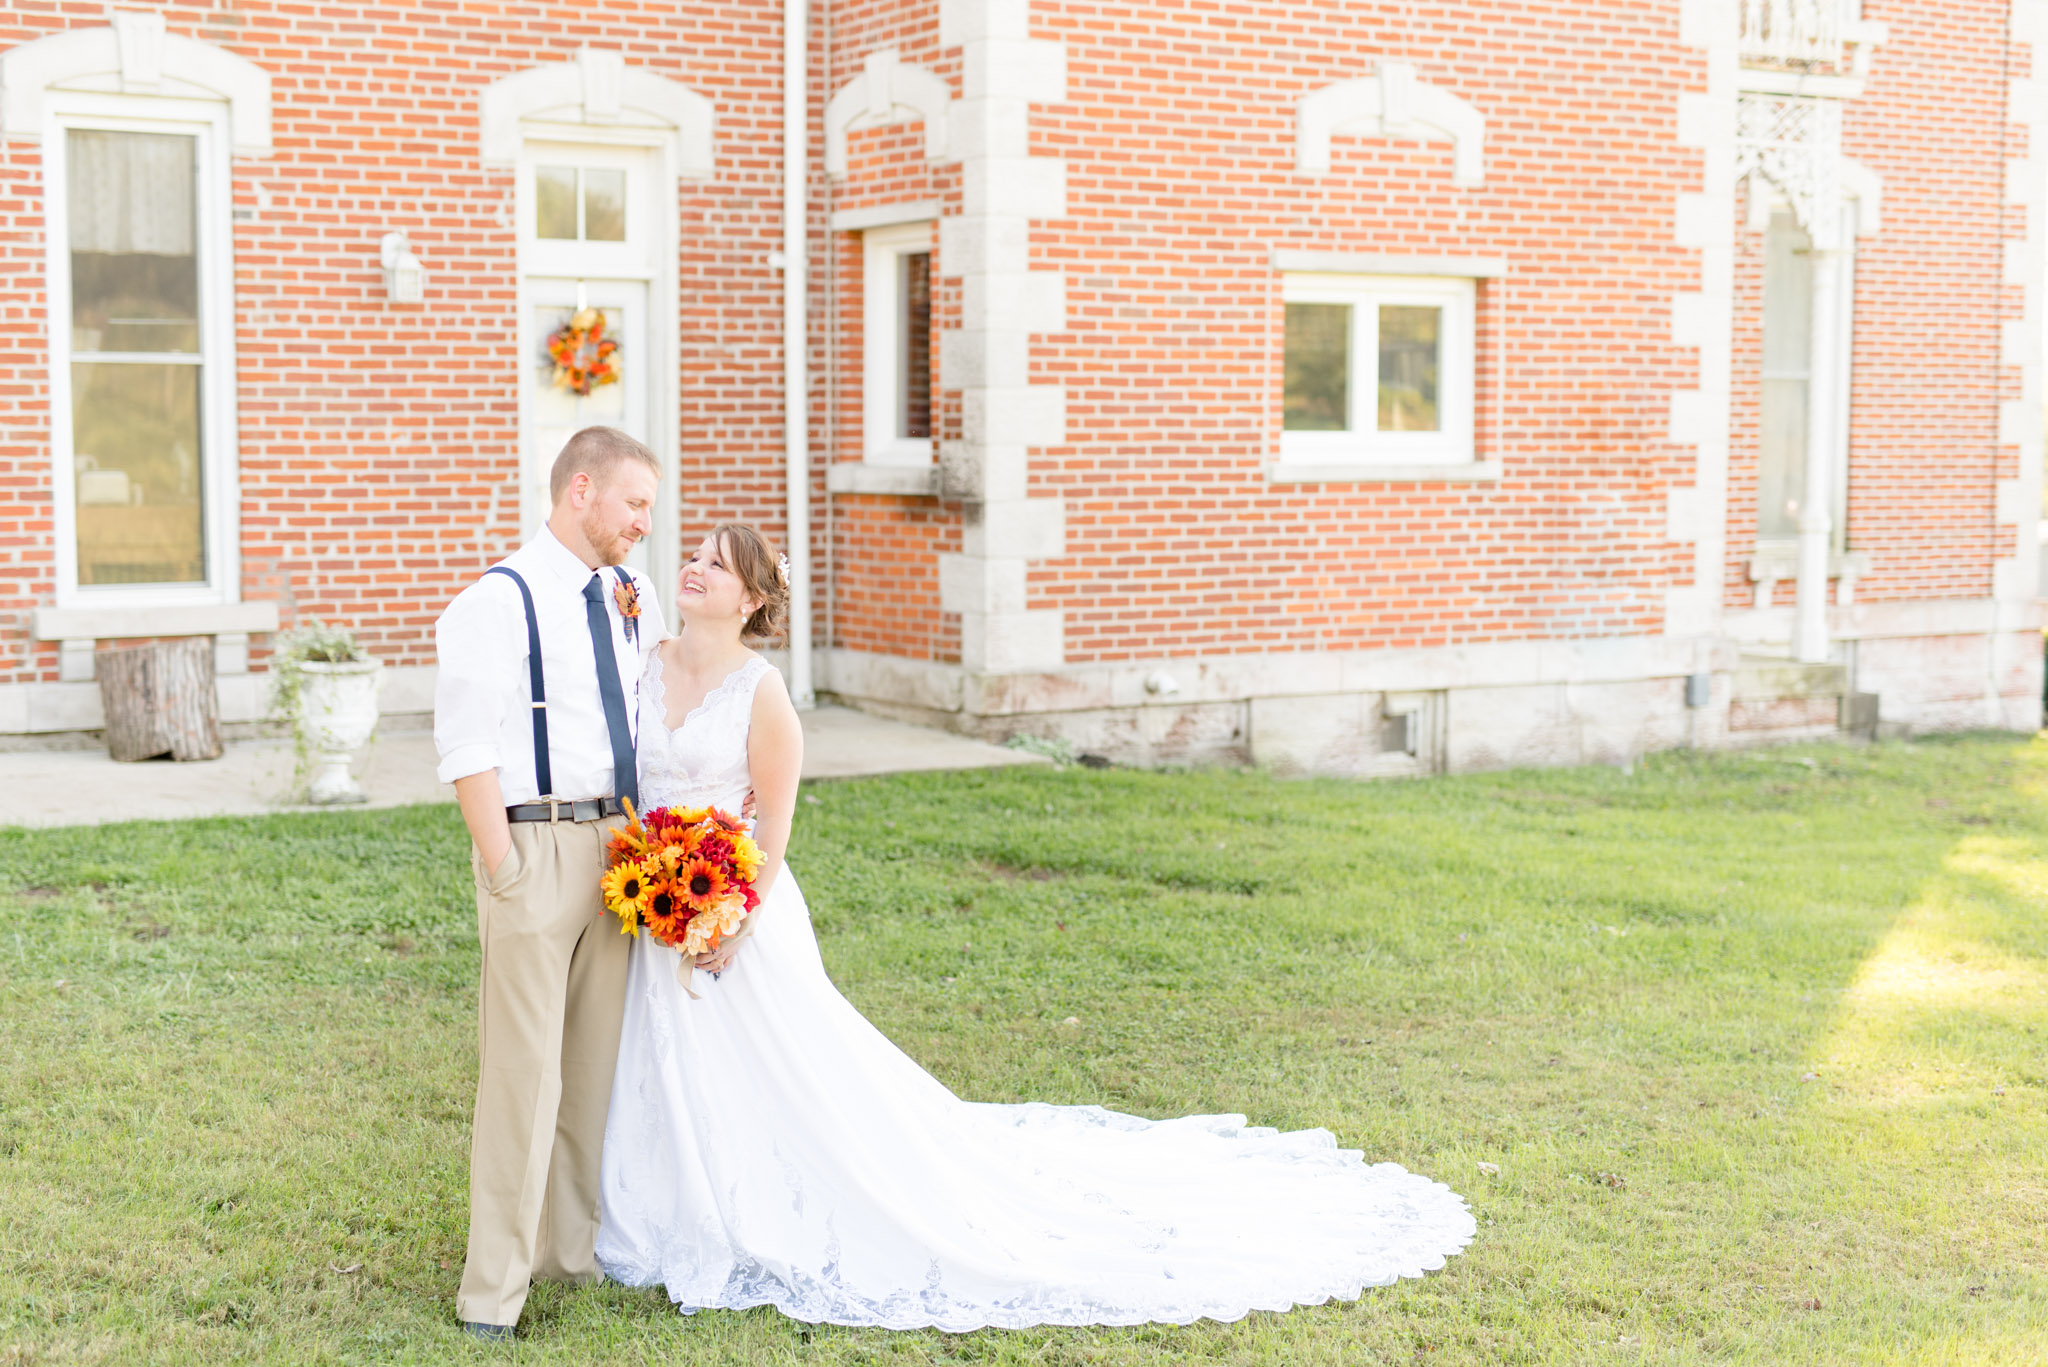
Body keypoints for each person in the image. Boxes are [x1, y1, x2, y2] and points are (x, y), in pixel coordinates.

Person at [595, 524, 1476, 1329]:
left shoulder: (764, 693)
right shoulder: (646, 655)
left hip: (734, 899)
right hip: (651, 895)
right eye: (696, 556)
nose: (695, 568)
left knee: (781, 1073)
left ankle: (751, 1204)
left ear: (750, 598)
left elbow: (775, 828)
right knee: (651, 1054)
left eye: (717, 562)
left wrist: (736, 917)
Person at [432, 426, 664, 1341]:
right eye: (634, 503)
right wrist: (505, 867)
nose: (646, 522)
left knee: (591, 1068)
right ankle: (492, 1293)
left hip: (619, 847)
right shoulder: (498, 600)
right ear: (581, 492)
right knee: (522, 1078)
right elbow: (467, 743)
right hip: (537, 846)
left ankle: (568, 1252)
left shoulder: (624, 598)